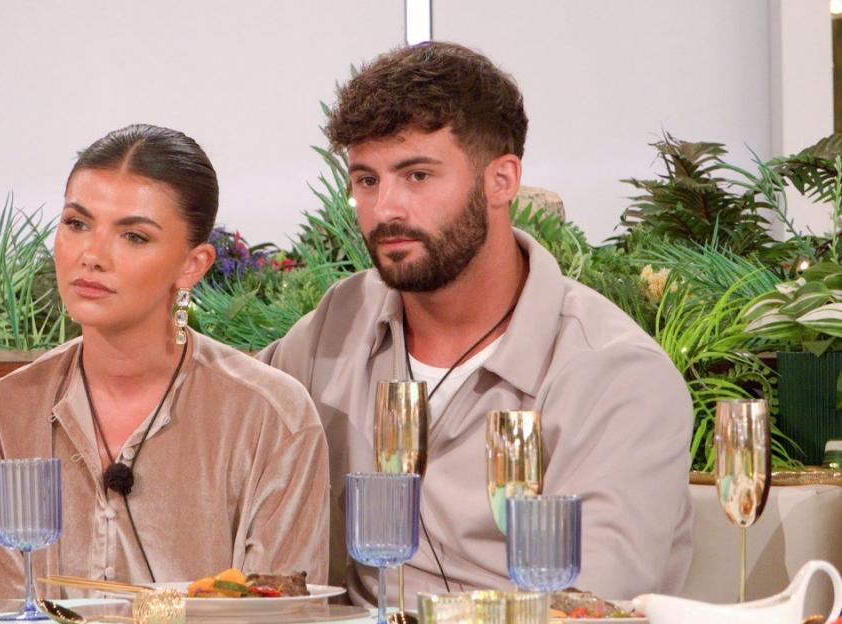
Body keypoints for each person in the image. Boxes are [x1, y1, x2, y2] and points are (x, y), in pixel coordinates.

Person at [259, 43, 693, 602]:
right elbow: (225, 413)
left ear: (502, 180)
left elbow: (587, 606)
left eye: (416, 175)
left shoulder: (614, 375)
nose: (385, 208)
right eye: (366, 180)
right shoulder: (341, 320)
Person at [0, 124, 330, 598]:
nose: (91, 255)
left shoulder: (271, 418)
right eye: (76, 224)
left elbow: (276, 614)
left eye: (133, 236)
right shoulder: (1, 417)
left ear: (192, 265)